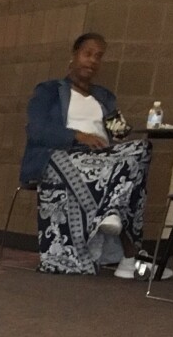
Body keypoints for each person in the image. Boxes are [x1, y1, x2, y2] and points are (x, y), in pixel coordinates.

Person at [23, 33, 164, 279]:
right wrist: (78, 136)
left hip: (103, 157)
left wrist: (137, 128)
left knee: (141, 149)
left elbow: (118, 131)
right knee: (125, 177)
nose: (92, 61)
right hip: (60, 155)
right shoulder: (49, 91)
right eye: (87, 54)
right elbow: (36, 130)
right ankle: (130, 256)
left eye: (98, 57)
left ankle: (111, 213)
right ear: (74, 56)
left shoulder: (104, 97)